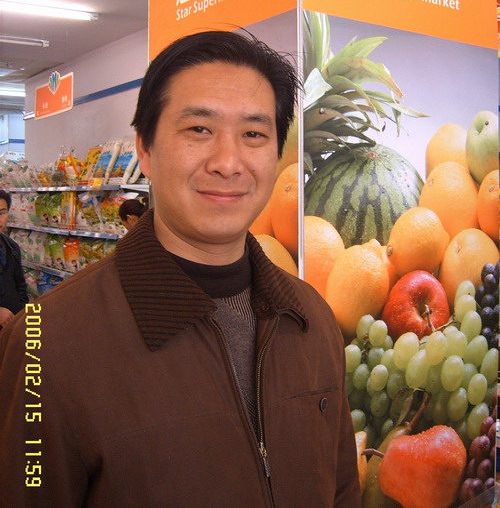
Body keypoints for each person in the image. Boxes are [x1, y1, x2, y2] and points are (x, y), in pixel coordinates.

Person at [0, 30, 361, 507]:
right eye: (199, 130)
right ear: (145, 150)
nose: (228, 163)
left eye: (254, 134)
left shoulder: (311, 318)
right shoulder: (46, 342)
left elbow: (341, 489)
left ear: (277, 155)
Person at [0, 189, 28, 329]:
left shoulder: (11, 247)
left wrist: (23, 315)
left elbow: (20, 287)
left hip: (11, 327)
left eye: (1, 213)